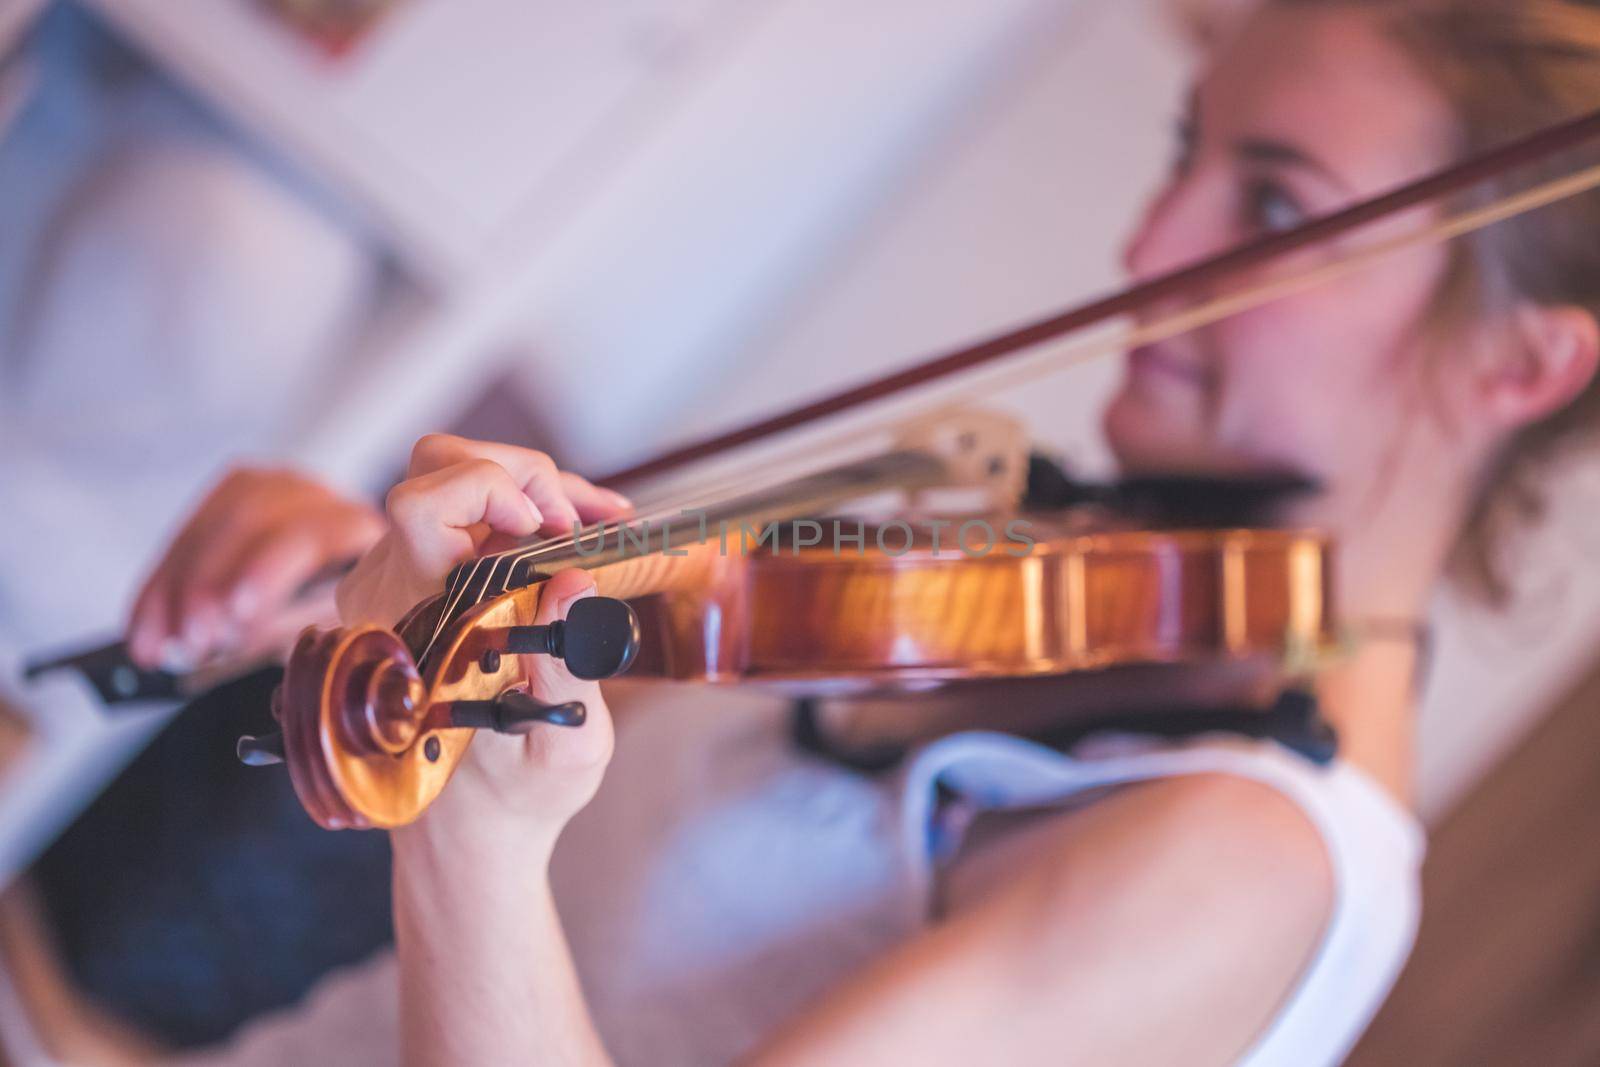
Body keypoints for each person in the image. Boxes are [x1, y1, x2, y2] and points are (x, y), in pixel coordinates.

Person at [117, 0, 1600, 1063]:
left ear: (1521, 365)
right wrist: (364, 595)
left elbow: (494, 810)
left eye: (1274, 209)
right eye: (1182, 159)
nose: (1149, 249)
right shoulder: (1000, 571)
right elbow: (555, 701)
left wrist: (462, 837)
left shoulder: (1252, 862)